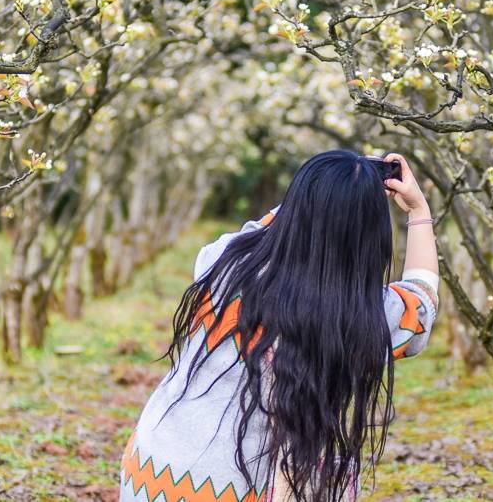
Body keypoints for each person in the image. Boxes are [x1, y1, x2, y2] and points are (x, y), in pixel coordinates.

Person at [119, 150, 439, 502]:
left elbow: (261, 228)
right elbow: (421, 301)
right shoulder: (363, 313)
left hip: (152, 468)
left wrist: (320, 191)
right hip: (238, 489)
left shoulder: (226, 262)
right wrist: (419, 212)